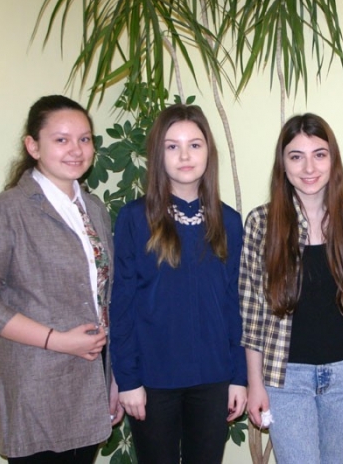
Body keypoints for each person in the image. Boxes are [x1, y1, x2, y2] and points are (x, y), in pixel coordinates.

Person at [0, 95, 123, 463]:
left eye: (84, 139)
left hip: (92, 378)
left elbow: (103, 297)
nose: (76, 150)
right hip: (38, 383)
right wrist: (57, 340)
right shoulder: (5, 212)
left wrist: (112, 378)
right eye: (61, 139)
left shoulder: (94, 209)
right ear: (33, 146)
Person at [109, 104, 247, 463]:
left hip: (214, 377)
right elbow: (121, 306)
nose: (185, 156)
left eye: (194, 145)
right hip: (153, 380)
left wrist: (239, 376)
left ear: (208, 152)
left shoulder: (230, 222)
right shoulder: (134, 218)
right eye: (172, 146)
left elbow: (235, 305)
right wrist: (127, 379)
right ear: (158, 154)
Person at [240, 113, 343, 464]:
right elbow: (251, 315)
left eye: (319, 154)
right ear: (283, 164)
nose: (309, 167)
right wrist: (255, 383)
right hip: (285, 378)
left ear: (333, 160)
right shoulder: (261, 223)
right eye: (296, 156)